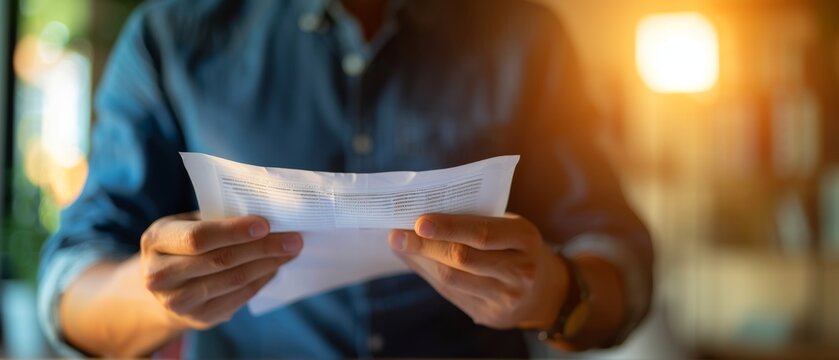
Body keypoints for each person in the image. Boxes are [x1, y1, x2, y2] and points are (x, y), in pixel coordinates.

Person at [37, 0, 653, 357]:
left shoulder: (525, 37)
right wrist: (155, 292)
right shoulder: (172, 37)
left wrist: (552, 290)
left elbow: (625, 266)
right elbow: (68, 291)